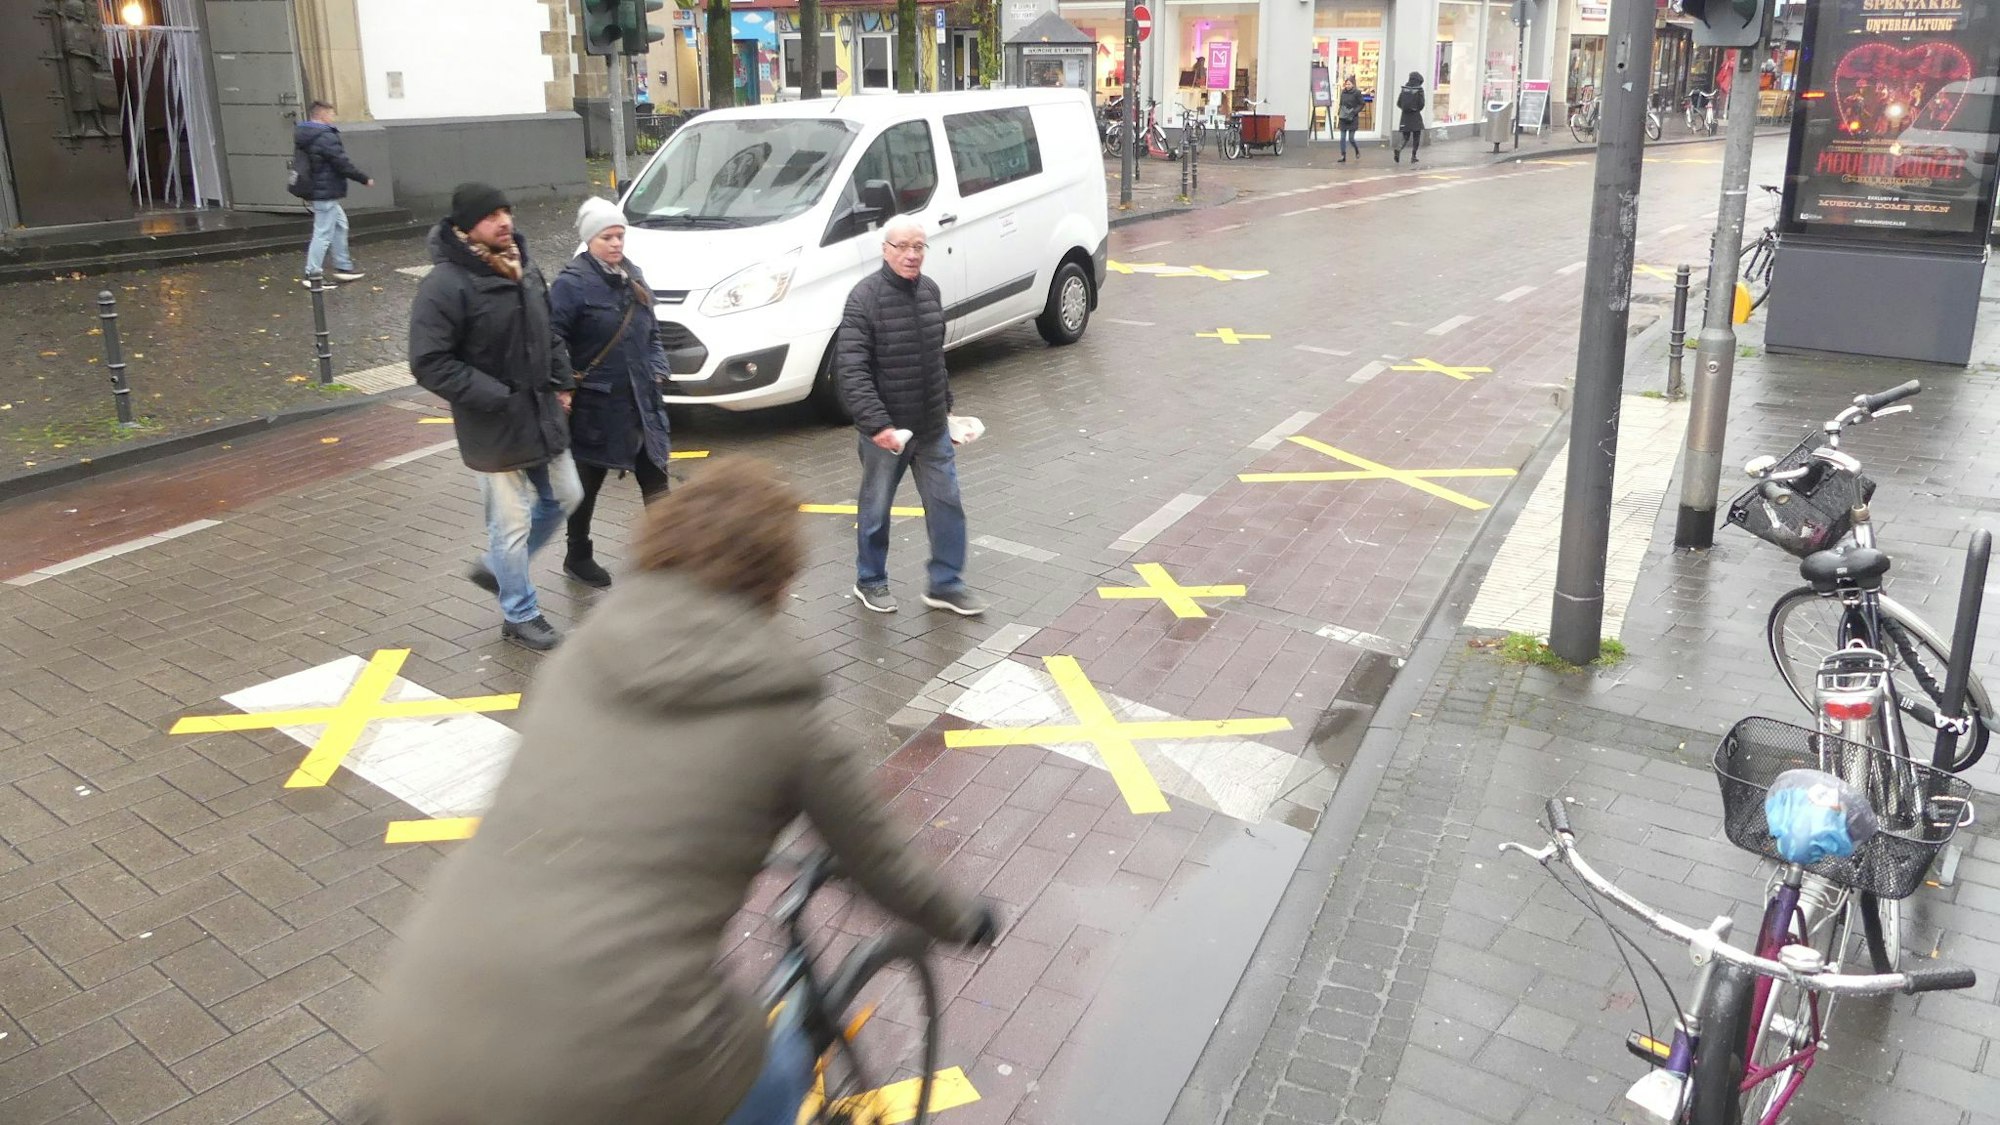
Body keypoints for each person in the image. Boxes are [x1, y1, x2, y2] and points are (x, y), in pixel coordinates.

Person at [373, 457, 1001, 1125]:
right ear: (776, 581)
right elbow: (885, 864)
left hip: (424, 1009)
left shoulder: (579, 657)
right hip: (612, 1062)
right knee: (777, 1068)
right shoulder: (786, 708)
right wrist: (962, 919)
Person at [410, 182, 582, 651]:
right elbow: (429, 361)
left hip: (541, 413)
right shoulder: (445, 285)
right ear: (466, 228)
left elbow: (547, 333)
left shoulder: (524, 269)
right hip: (494, 424)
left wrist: (563, 379)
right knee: (509, 526)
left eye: (506, 211)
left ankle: (499, 569)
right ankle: (520, 613)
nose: (505, 221)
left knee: (568, 494)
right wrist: (495, 395)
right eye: (491, 216)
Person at [837, 213, 984, 618]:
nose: (911, 254)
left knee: (947, 504)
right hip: (888, 432)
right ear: (885, 250)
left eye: (919, 246)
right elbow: (851, 370)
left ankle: (946, 584)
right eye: (902, 246)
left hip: (932, 425)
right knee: (876, 508)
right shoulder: (864, 298)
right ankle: (870, 580)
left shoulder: (930, 292)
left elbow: (934, 359)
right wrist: (877, 425)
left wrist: (947, 412)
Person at [548, 196, 673, 589]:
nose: (617, 244)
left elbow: (651, 330)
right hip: (598, 406)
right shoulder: (572, 284)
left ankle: (669, 555)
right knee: (587, 486)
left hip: (642, 400)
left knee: (655, 477)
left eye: (620, 235)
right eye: (607, 237)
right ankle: (577, 554)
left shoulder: (632, 274)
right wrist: (564, 383)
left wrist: (658, 369)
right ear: (590, 240)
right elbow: (550, 335)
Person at [292, 101, 372, 288]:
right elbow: (341, 162)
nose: (333, 118)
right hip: (325, 191)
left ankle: (343, 267)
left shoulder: (306, 134)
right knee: (323, 233)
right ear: (322, 115)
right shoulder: (324, 136)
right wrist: (363, 178)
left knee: (340, 225)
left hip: (321, 190)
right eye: (331, 114)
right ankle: (312, 275)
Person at [1393, 71, 1426, 163]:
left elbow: (1399, 103)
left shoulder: (1404, 89)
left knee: (1405, 137)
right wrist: (1415, 109)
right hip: (1415, 116)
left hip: (1405, 116)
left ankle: (1399, 149)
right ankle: (1413, 156)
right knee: (1416, 136)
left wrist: (1405, 109)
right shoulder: (1419, 89)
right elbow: (1422, 104)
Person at [1338, 75, 1365, 162]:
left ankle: (1356, 150)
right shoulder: (1343, 92)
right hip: (1343, 117)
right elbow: (1341, 103)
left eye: (1349, 84)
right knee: (1342, 138)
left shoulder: (1357, 93)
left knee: (1351, 138)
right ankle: (1343, 155)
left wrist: (1354, 111)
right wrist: (1340, 112)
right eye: (1346, 84)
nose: (1347, 86)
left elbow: (1362, 104)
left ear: (1353, 84)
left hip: (1352, 117)